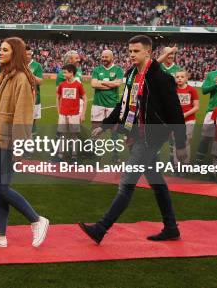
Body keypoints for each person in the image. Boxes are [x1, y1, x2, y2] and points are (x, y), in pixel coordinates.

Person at [79, 35, 187, 244]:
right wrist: (104, 125)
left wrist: (181, 145)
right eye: (130, 51)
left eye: (136, 51)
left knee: (126, 185)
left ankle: (101, 228)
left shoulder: (161, 78)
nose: (131, 55)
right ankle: (171, 227)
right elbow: (123, 106)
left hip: (150, 137)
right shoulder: (130, 75)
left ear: (148, 52)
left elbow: (175, 114)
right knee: (157, 183)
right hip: (134, 135)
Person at [0, 37, 49, 249]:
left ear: (14, 53)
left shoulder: (21, 79)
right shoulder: (6, 76)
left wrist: (19, 146)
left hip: (9, 139)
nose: (0, 52)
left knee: (1, 187)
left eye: (5, 50)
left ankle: (36, 220)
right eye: (0, 49)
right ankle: (0, 235)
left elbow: (24, 116)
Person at [90, 49, 124, 162]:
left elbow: (118, 83)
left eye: (106, 57)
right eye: (102, 57)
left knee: (114, 130)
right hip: (97, 103)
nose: (103, 59)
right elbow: (93, 84)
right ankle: (94, 152)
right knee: (95, 129)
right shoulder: (96, 69)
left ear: (112, 57)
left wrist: (102, 83)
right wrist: (110, 84)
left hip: (112, 104)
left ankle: (116, 154)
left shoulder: (118, 69)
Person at [56, 64, 87, 161]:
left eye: (65, 72)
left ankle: (74, 157)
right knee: (62, 135)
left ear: (71, 73)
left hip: (74, 114)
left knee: (74, 136)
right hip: (63, 114)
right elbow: (57, 98)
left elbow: (85, 99)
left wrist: (83, 114)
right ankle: (60, 156)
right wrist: (59, 111)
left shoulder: (78, 85)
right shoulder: (62, 84)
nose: (63, 74)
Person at [174, 69, 199, 167]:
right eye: (177, 77)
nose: (179, 79)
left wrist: (184, 115)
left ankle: (185, 163)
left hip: (189, 120)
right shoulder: (172, 90)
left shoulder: (192, 90)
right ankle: (177, 164)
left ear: (186, 78)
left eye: (182, 77)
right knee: (177, 141)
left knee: (186, 141)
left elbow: (196, 107)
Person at [26, 45, 44, 134]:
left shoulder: (37, 66)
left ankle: (31, 136)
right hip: (20, 96)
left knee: (32, 121)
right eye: (25, 54)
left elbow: (40, 82)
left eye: (29, 54)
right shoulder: (18, 64)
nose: (27, 56)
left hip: (34, 97)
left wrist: (29, 74)